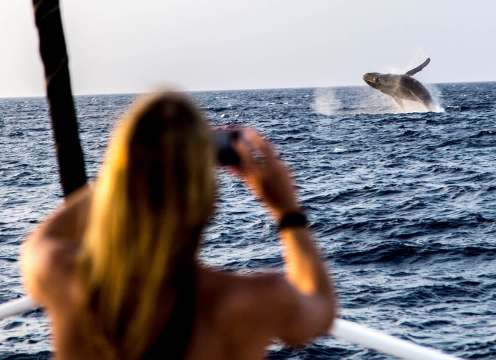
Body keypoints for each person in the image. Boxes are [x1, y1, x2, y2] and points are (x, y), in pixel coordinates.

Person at [20, 92, 336, 359]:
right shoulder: (246, 302)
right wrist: (286, 210)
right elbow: (320, 308)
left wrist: (131, 168)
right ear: (207, 196)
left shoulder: (68, 280)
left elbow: (41, 242)